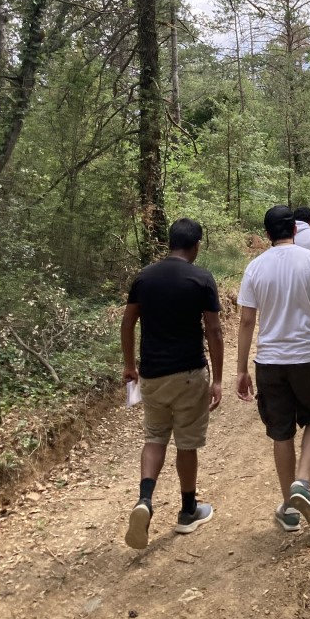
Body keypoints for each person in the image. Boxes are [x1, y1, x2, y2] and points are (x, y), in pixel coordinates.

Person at [236, 206, 310, 531]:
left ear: (267, 235)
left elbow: (246, 321)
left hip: (269, 362)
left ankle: (289, 508)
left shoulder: (255, 267)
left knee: (281, 432)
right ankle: (303, 481)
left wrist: (241, 369)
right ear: (296, 231)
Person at [121, 218, 224, 550]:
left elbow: (128, 322)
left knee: (154, 437)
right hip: (189, 373)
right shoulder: (201, 278)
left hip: (152, 374)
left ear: (170, 242)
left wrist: (129, 366)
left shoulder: (144, 277)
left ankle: (144, 499)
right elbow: (214, 330)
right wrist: (218, 379)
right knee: (186, 443)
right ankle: (188, 510)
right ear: (196, 245)